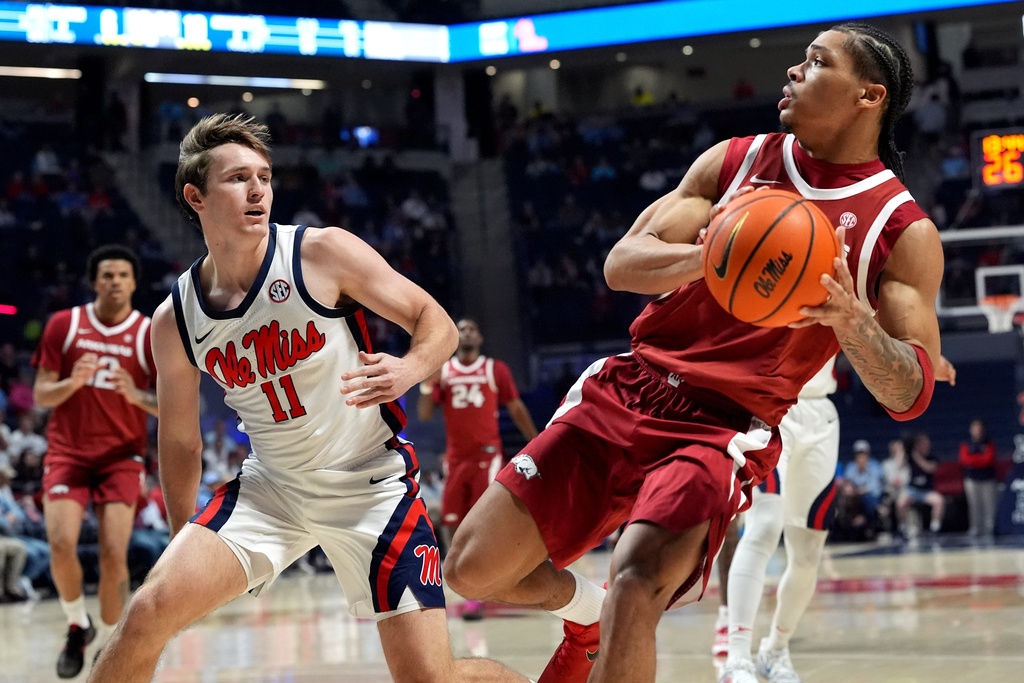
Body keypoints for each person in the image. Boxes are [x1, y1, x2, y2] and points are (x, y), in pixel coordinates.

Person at [443, 23, 951, 683]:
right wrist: (707, 258)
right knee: (472, 568)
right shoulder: (736, 160)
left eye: (817, 62)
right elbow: (622, 264)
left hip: (723, 426)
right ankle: (584, 612)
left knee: (639, 578)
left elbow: (911, 393)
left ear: (869, 96)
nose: (793, 71)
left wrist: (856, 324)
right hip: (631, 385)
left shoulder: (899, 228)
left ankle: (621, 615)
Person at [89, 113, 529, 683]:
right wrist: (184, 543)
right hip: (272, 489)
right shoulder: (177, 317)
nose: (257, 190)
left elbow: (434, 321)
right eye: (238, 177)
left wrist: (408, 369)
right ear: (195, 196)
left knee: (431, 678)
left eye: (264, 177)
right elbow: (177, 440)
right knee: (148, 611)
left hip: (370, 485)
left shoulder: (320, 253)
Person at [31, 244, 158, 679]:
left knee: (112, 553)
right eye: (107, 275)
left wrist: (135, 395)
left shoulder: (149, 332)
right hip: (67, 452)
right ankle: (76, 624)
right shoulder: (65, 325)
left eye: (123, 275)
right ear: (94, 281)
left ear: (134, 282)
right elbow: (41, 394)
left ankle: (109, 640)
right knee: (62, 543)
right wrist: (73, 382)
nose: (115, 282)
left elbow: (171, 404)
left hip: (121, 457)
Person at [719, 357, 839, 683]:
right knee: (764, 526)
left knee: (808, 553)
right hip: (768, 409)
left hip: (821, 415)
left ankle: (775, 650)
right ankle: (737, 658)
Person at [417, 317, 539, 619]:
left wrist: (537, 442)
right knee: (452, 523)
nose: (466, 332)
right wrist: (427, 383)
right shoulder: (444, 372)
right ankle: (464, 580)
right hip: (457, 461)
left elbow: (516, 408)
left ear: (480, 337)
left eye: (471, 329)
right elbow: (423, 414)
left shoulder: (494, 369)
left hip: (487, 457)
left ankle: (492, 582)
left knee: (485, 523)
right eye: (461, 329)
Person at [897, 431, 945, 537]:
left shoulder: (932, 457)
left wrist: (916, 456)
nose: (924, 445)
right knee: (900, 503)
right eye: (921, 443)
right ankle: (902, 527)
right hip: (912, 490)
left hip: (926, 490)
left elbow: (929, 468)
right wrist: (903, 450)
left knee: (939, 501)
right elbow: (899, 466)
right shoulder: (910, 456)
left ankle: (935, 528)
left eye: (926, 443)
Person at [959, 417, 997, 538]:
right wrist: (978, 460)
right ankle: (975, 528)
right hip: (971, 479)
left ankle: (990, 528)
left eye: (979, 428)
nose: (977, 430)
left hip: (988, 479)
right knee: (974, 505)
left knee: (989, 504)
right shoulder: (966, 444)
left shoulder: (989, 443)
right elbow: (965, 460)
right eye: (975, 428)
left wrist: (974, 461)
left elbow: (988, 460)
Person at [843, 439, 885, 527]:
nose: (861, 457)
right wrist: (857, 491)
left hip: (872, 497)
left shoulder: (875, 466)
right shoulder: (851, 467)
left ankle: (871, 517)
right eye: (859, 454)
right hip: (855, 498)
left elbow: (875, 486)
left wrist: (861, 490)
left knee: (867, 497)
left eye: (864, 454)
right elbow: (848, 483)